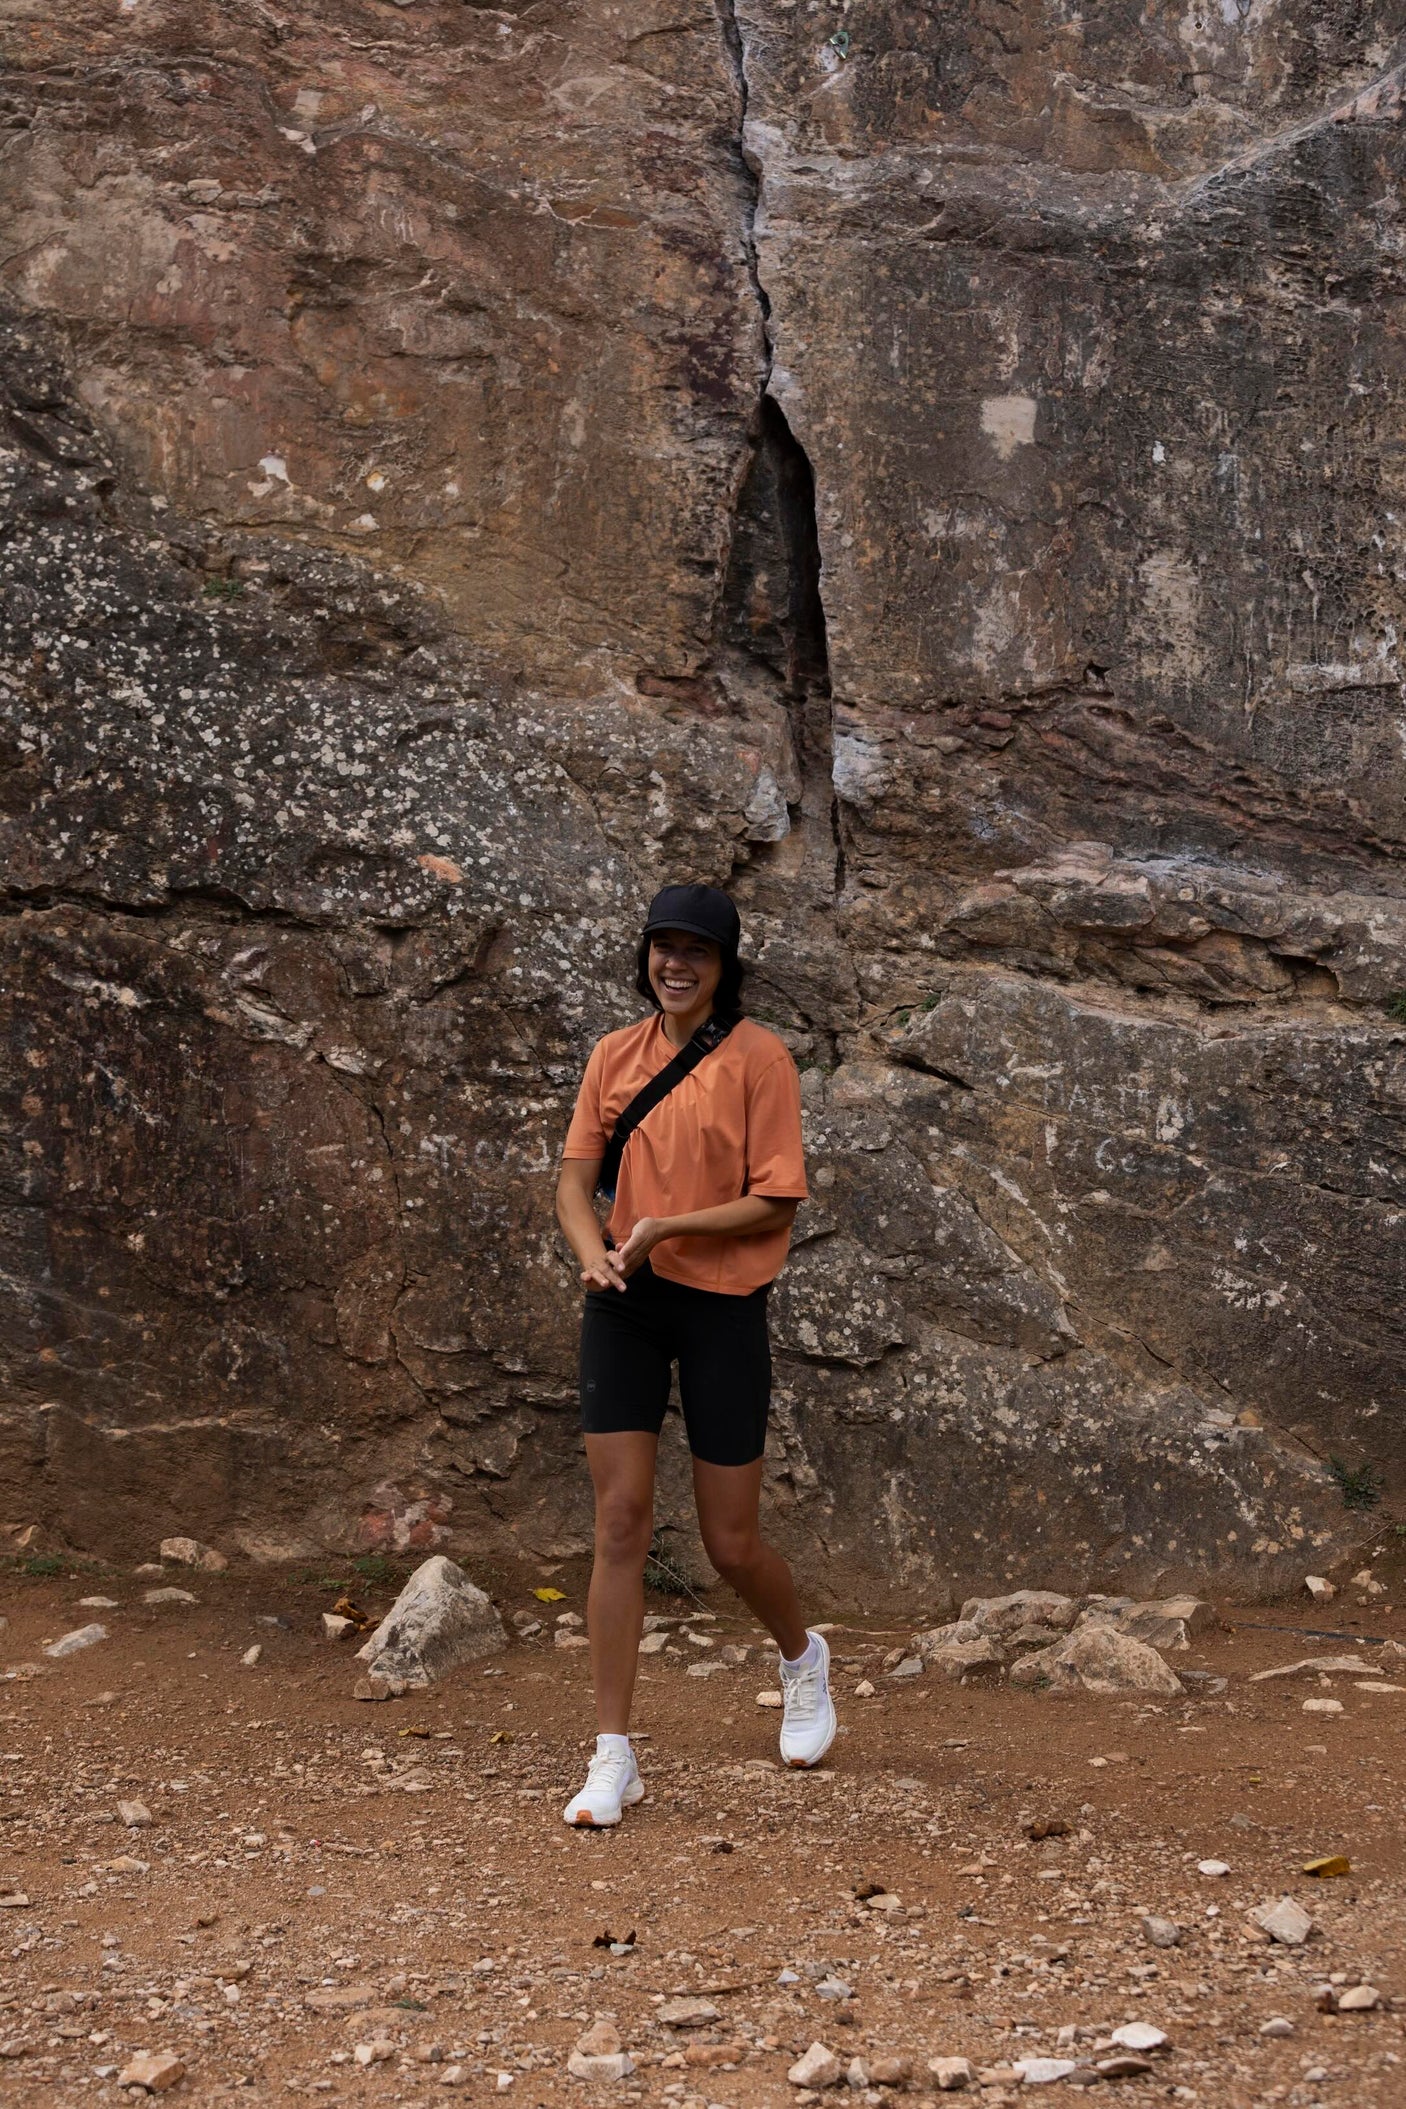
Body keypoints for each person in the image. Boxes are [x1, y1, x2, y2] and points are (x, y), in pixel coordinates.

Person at [553, 883, 837, 1825]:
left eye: (696, 952)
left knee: (730, 1542)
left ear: (725, 965)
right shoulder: (613, 1055)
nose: (675, 965)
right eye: (662, 948)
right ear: (646, 956)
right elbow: (573, 1183)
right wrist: (596, 1256)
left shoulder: (760, 1060)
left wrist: (667, 1225)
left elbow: (776, 1198)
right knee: (621, 1519)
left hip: (721, 1306)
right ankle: (613, 1754)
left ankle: (802, 1659)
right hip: (626, 1303)